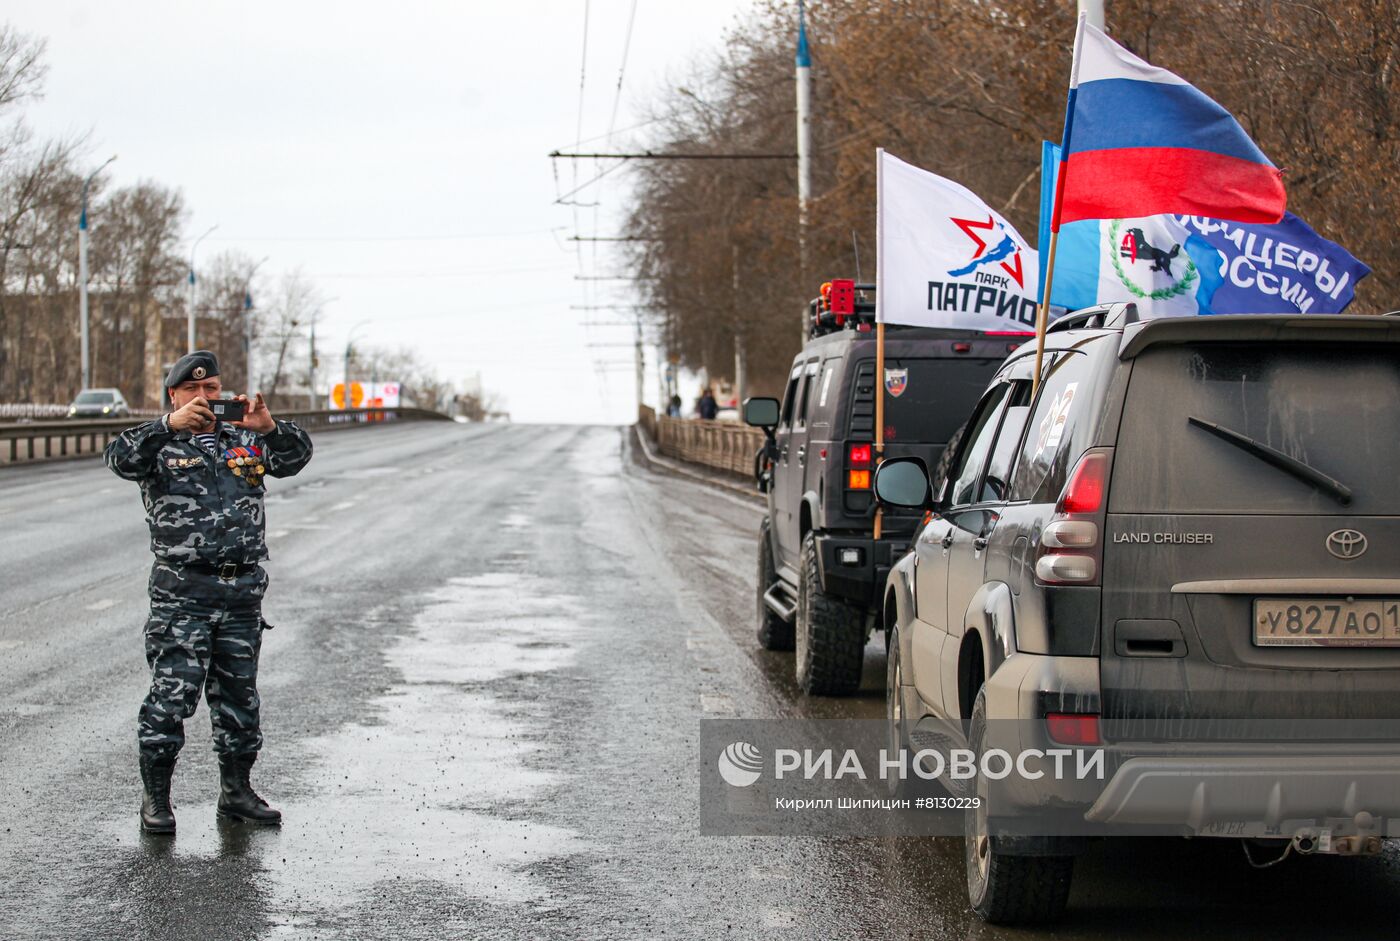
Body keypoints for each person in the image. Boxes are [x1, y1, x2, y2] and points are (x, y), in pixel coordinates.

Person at [104, 350, 313, 834]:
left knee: (240, 700)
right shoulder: (157, 443)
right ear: (174, 395)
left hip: (240, 592)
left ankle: (236, 793)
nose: (204, 398)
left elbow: (296, 458)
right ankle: (156, 800)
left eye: (212, 390)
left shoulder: (245, 438)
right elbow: (119, 457)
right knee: (171, 699)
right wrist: (167, 425)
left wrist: (269, 427)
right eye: (193, 391)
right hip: (183, 594)